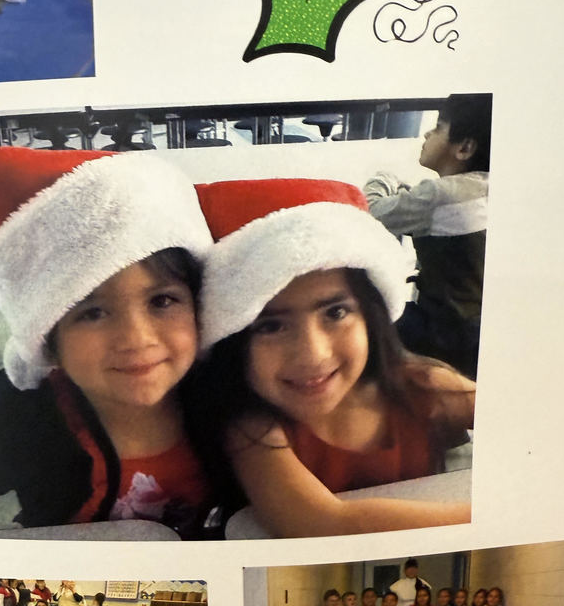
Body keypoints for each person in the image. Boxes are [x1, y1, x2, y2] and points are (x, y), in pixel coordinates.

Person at [0, 149, 214, 535]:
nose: (136, 337)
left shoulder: (226, 407)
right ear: (49, 337)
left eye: (162, 301)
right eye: (92, 312)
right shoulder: (28, 427)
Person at [193, 176, 475, 538]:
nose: (313, 353)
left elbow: (536, 425)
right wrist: (489, 521)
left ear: (371, 313)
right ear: (232, 338)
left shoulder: (423, 385)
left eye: (336, 313)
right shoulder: (253, 429)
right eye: (271, 326)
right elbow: (318, 524)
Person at [365, 93, 492, 378]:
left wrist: (384, 178)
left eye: (438, 127)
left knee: (364, 324)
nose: (427, 133)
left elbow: (373, 210)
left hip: (444, 334)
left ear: (464, 148)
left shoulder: (440, 195)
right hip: (479, 334)